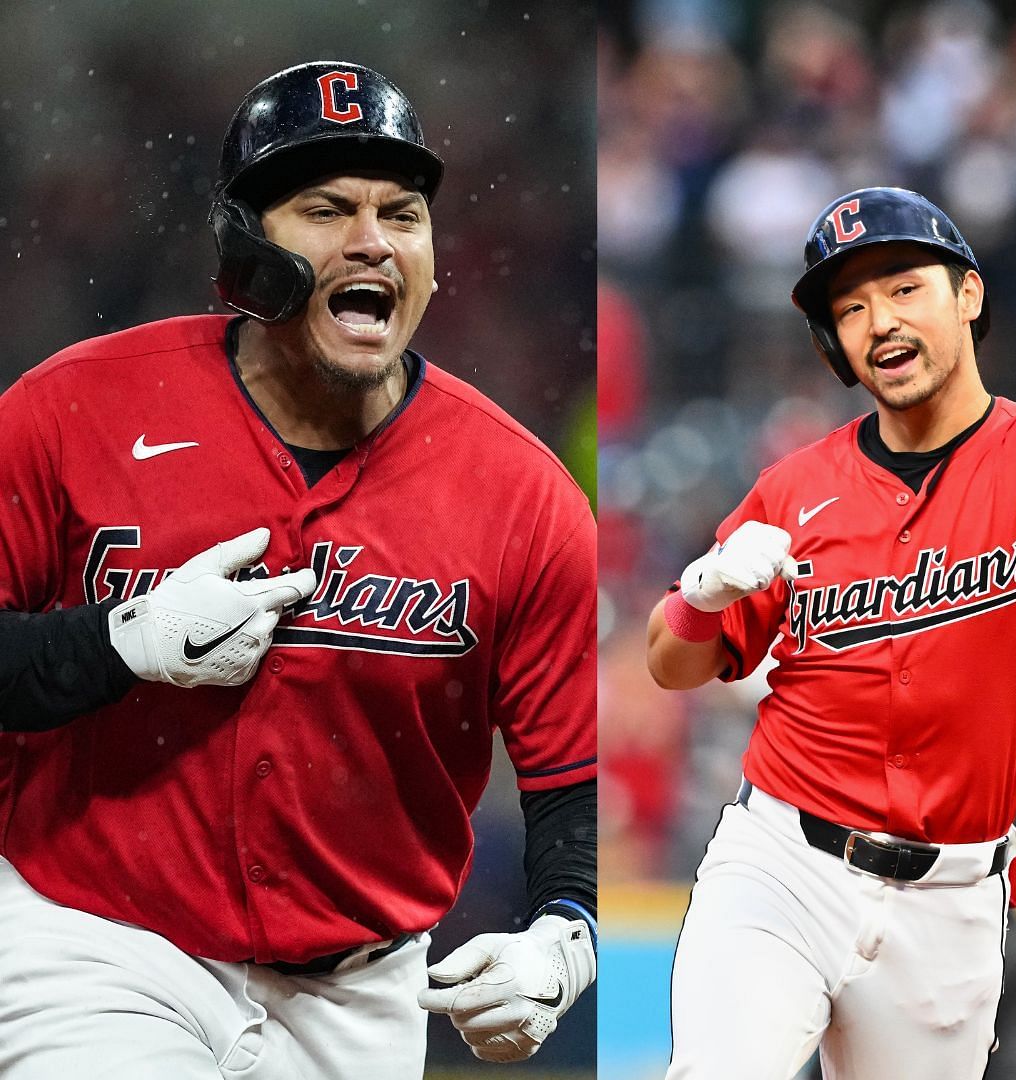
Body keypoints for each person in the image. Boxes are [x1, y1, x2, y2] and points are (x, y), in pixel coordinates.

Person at [0, 61, 596, 1077]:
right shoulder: (72, 410)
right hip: (94, 939)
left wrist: (564, 938)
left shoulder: (524, 495)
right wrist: (119, 642)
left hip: (362, 996)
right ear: (242, 251)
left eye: (402, 215)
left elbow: (567, 778)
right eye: (325, 209)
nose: (372, 241)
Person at [648, 88, 1016, 1078]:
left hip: (955, 902)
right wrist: (699, 595)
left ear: (968, 294)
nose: (877, 320)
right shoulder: (793, 487)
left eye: (902, 287)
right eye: (848, 307)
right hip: (782, 865)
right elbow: (674, 668)